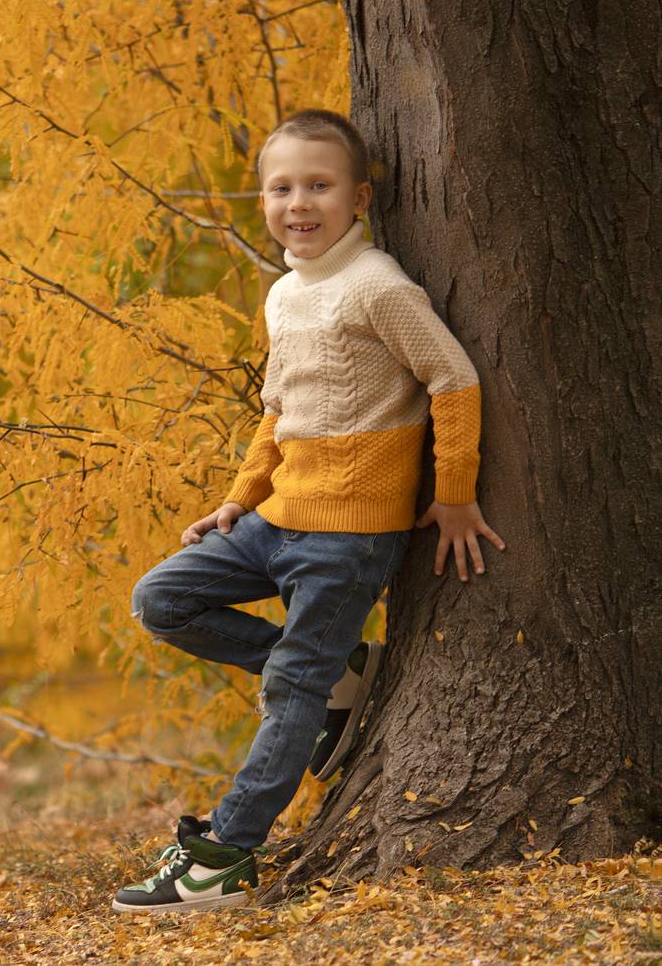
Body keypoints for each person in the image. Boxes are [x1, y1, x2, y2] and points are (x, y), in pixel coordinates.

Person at [110, 109, 507, 915]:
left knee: (292, 687)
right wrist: (236, 501)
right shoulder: (287, 292)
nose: (299, 202)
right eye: (281, 187)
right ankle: (340, 676)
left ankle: (226, 855)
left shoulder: (378, 287)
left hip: (348, 536)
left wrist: (454, 494)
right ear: (262, 199)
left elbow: (454, 378)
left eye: (318, 186)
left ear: (358, 198)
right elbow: (276, 409)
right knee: (162, 599)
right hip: (276, 518)